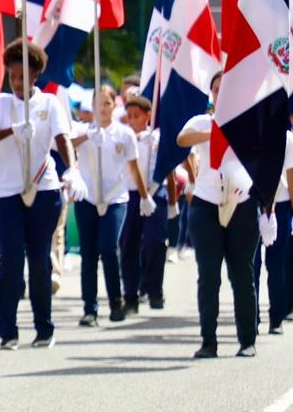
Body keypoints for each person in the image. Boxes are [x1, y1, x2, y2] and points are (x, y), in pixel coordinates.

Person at [0, 42, 85, 350]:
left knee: (40, 260)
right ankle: (8, 331)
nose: (18, 82)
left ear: (36, 74)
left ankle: (44, 327)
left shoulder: (50, 103)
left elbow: (63, 139)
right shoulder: (1, 104)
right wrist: (11, 129)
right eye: (13, 77)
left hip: (44, 188)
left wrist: (72, 169)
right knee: (11, 259)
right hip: (9, 191)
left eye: (23, 76)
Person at [176, 72, 258, 358]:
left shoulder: (249, 121)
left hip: (240, 202)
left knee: (241, 272)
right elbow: (182, 138)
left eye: (227, 89)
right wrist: (215, 132)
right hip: (206, 201)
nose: (221, 93)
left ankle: (248, 340)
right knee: (208, 274)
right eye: (216, 89)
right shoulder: (202, 122)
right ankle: (208, 341)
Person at [70, 85, 153, 326]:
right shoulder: (83, 129)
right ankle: (90, 309)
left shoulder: (124, 134)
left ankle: (116, 302)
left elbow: (133, 166)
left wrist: (145, 196)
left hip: (115, 198)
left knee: (107, 248)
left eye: (107, 103)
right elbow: (66, 142)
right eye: (98, 103)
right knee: (88, 253)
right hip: (88, 197)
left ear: (113, 106)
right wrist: (88, 136)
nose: (102, 108)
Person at [120, 95, 177, 311]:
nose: (133, 120)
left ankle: (155, 290)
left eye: (137, 116)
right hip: (130, 195)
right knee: (128, 245)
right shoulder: (124, 137)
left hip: (156, 193)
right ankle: (131, 295)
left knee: (154, 242)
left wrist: (172, 202)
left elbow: (168, 169)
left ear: (148, 116)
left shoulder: (157, 138)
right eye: (130, 116)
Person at [254, 123, 293, 334]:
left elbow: (290, 175)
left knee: (276, 263)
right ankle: (252, 318)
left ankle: (276, 317)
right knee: (253, 264)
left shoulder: (287, 138)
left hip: (281, 204)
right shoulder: (250, 134)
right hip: (253, 203)